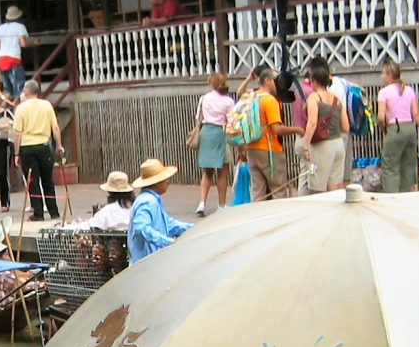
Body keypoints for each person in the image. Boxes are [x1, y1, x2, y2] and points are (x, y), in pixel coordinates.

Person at [241, 66, 303, 202]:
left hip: (251, 148)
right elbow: (277, 129)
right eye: (276, 80)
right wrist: (296, 130)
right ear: (268, 81)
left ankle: (260, 221)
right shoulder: (270, 101)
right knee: (278, 191)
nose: (279, 83)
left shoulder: (251, 97)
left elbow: (240, 92)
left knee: (258, 192)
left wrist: (247, 79)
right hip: (270, 150)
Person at [377, 61, 419, 193]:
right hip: (410, 128)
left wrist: (382, 126)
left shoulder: (384, 92)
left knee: (390, 167)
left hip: (394, 128)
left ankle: (392, 197)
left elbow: (380, 116)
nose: (382, 76)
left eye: (383, 73)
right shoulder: (409, 90)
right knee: (408, 167)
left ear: (390, 75)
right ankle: (406, 195)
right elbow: (416, 113)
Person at [11, 80, 63, 221]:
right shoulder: (46, 105)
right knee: (48, 180)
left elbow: (18, 134)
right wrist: (59, 145)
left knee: (32, 181)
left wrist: (16, 153)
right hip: (44, 145)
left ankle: (38, 213)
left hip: (27, 147)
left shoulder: (21, 108)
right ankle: (54, 211)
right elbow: (55, 127)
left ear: (27, 91)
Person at [300, 62, 351, 194]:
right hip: (338, 146)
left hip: (321, 148)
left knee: (318, 188)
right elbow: (346, 127)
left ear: (314, 81)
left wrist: (306, 145)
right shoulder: (337, 100)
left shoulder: (313, 98)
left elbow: (312, 123)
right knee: (335, 187)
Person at [128, 158, 191, 263]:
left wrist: (191, 228)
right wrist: (167, 242)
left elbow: (168, 224)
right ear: (157, 183)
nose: (168, 182)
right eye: (165, 180)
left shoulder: (152, 200)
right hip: (146, 265)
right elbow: (141, 229)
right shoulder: (147, 202)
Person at [195, 72, 235, 215]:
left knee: (207, 172)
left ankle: (201, 203)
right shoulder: (228, 101)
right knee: (222, 172)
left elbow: (198, 118)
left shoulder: (204, 98)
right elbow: (232, 121)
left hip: (206, 132)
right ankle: (221, 205)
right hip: (220, 133)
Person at [0, 6, 29, 101]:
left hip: (1, 60)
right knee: (19, 86)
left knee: (7, 89)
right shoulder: (20, 27)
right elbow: (23, 44)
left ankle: (4, 108)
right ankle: (17, 109)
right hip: (13, 59)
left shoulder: (1, 27)